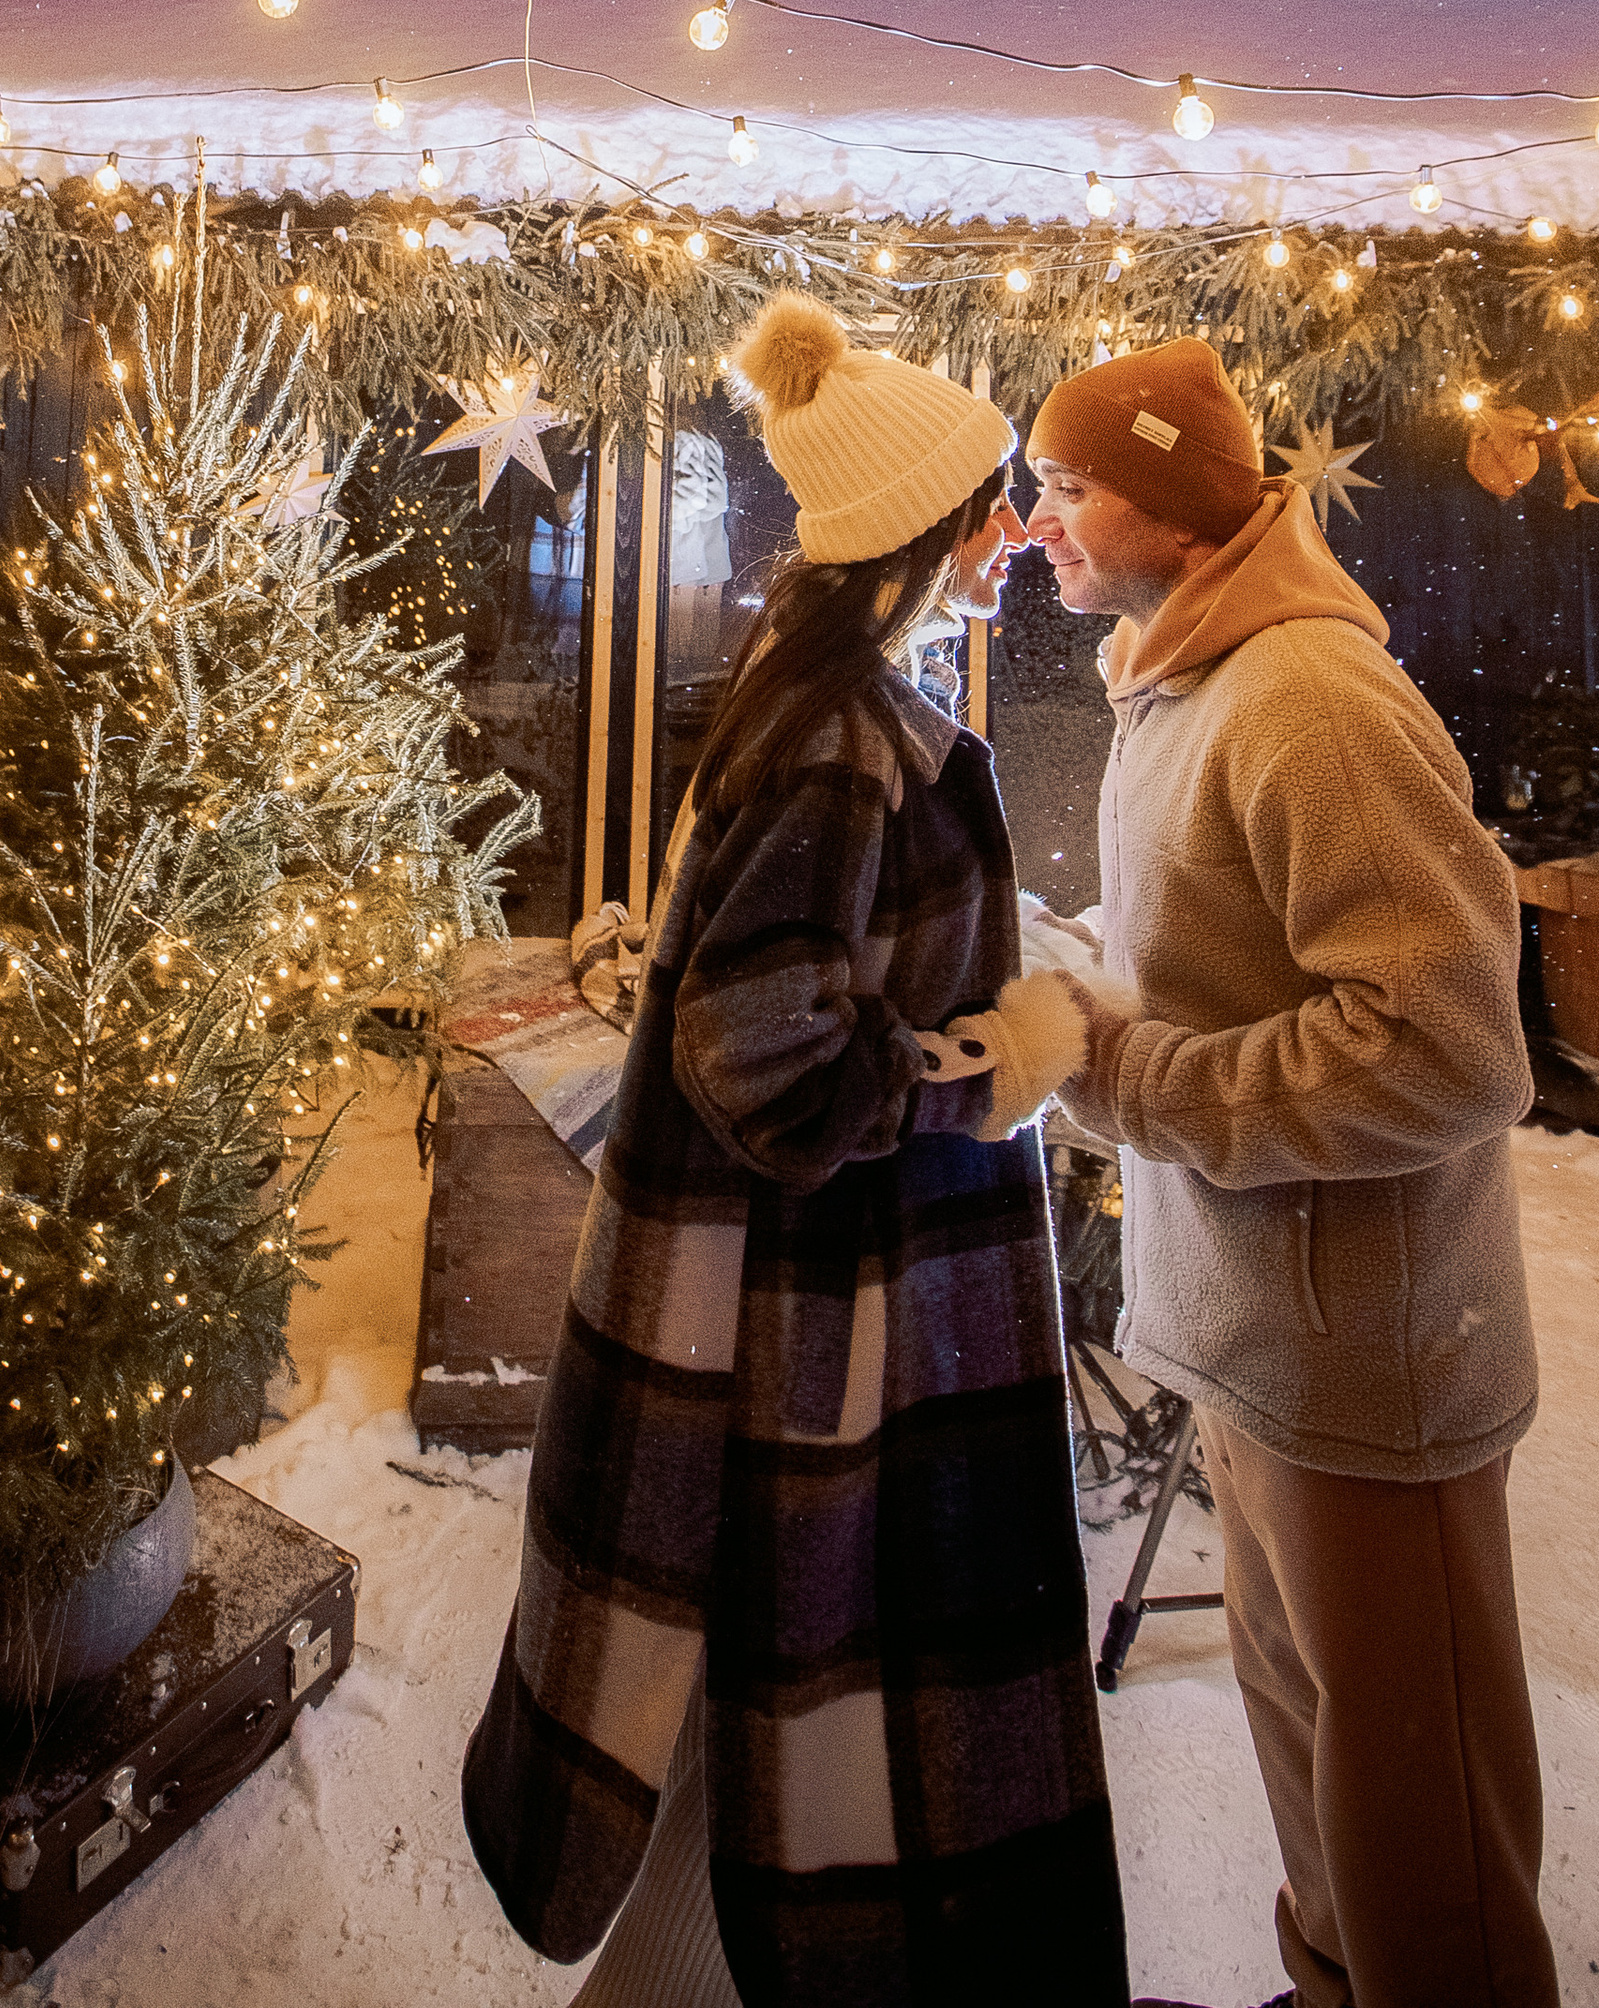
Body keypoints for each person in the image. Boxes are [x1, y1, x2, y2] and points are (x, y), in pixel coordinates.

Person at [462, 292, 1130, 2007]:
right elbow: (770, 1065)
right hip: (829, 1334)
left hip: (822, 1320)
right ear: (911, 534)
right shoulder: (842, 741)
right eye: (984, 503)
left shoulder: (826, 698)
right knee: (807, 1745)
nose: (1007, 535)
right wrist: (997, 1065)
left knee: (772, 1744)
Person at [1015, 336, 1557, 2008]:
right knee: (1325, 1773)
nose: (1040, 523)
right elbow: (1204, 953)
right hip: (1256, 1346)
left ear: (1173, 506)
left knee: (1427, 1843)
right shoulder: (1183, 681)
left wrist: (1129, 1077)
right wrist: (1041, 976)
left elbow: (1447, 1044)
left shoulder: (1309, 701)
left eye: (1073, 487)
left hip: (1372, 1371)